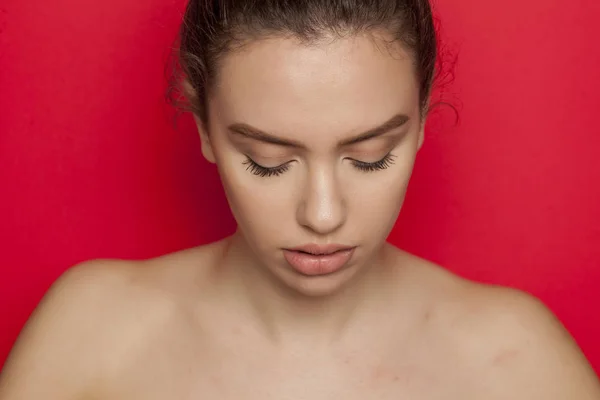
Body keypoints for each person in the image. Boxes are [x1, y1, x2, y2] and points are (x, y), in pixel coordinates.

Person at [1, 0, 599, 398]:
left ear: (419, 121)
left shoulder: (516, 362)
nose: (322, 215)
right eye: (269, 161)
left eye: (371, 157)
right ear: (205, 126)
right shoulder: (91, 331)